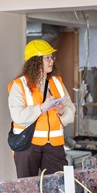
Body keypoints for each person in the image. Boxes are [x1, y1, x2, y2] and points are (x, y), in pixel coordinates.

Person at [8, 39, 76, 178]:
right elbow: (18, 116)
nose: (51, 61)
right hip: (28, 144)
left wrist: (62, 111)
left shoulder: (57, 82)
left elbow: (71, 112)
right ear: (35, 61)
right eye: (47, 58)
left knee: (58, 186)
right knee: (27, 188)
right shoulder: (19, 85)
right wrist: (42, 107)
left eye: (52, 57)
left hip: (54, 144)